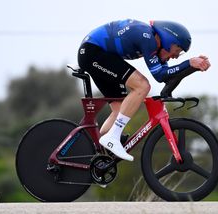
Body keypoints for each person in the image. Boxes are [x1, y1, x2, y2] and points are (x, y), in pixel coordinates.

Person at [77, 19, 211, 161]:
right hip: (93, 52)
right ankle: (113, 137)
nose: (175, 56)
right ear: (168, 40)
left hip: (97, 54)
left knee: (120, 110)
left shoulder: (153, 42)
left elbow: (167, 75)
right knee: (142, 85)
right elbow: (160, 75)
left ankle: (98, 159)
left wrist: (192, 67)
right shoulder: (147, 38)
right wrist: (189, 63)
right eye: (177, 50)